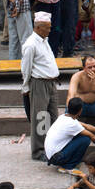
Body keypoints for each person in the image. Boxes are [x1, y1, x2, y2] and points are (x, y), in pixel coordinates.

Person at [22, 11, 60, 162]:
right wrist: (26, 87)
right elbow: (25, 68)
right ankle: (38, 151)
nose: (50, 30)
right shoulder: (30, 44)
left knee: (53, 116)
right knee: (41, 119)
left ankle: (51, 146)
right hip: (39, 84)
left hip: (51, 83)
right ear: (38, 27)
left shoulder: (44, 40)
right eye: (47, 28)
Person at [44, 96, 95, 170]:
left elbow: (86, 126)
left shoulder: (63, 117)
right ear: (80, 110)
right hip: (56, 158)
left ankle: (67, 162)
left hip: (51, 155)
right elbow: (92, 136)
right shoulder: (72, 124)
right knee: (85, 139)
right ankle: (68, 167)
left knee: (80, 135)